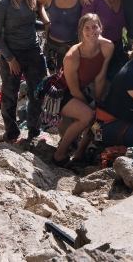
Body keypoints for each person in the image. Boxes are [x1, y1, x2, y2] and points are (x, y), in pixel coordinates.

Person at [0, 0, 47, 143]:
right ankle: (11, 134)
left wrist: (47, 26)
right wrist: (10, 59)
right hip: (12, 55)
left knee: (37, 93)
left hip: (34, 53)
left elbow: (31, 25)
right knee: (9, 94)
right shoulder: (3, 3)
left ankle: (34, 132)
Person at [51, 14, 114, 168]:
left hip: (79, 90)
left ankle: (79, 155)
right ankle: (59, 155)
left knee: (98, 115)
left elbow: (100, 78)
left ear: (100, 28)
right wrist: (92, 108)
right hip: (61, 91)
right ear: (81, 31)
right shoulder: (72, 56)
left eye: (94, 27)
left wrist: (98, 103)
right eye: (87, 28)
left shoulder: (107, 47)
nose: (91, 31)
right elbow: (73, 90)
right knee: (88, 116)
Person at [36, 0, 88, 70]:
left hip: (73, 47)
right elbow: (38, 5)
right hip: (52, 47)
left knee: (72, 81)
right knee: (55, 82)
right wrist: (46, 22)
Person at [82, 0, 127, 86]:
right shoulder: (93, 0)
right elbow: (84, 27)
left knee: (115, 87)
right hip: (97, 51)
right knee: (98, 86)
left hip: (118, 50)